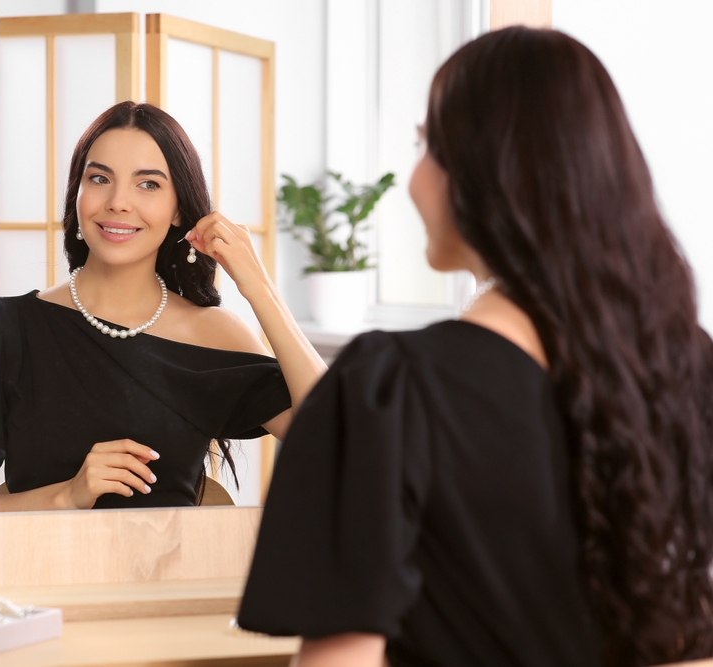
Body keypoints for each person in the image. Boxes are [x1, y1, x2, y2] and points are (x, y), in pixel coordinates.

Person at [238, 27, 713, 667]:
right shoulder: (687, 370)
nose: (413, 179)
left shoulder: (391, 389)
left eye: (428, 146)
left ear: (488, 172)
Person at [0, 101, 326, 511]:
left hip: (175, 573)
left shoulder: (214, 334)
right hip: (36, 572)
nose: (118, 202)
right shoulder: (6, 329)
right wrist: (67, 495)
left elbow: (336, 440)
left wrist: (259, 287)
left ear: (180, 211)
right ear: (77, 195)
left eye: (148, 184)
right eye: (99, 178)